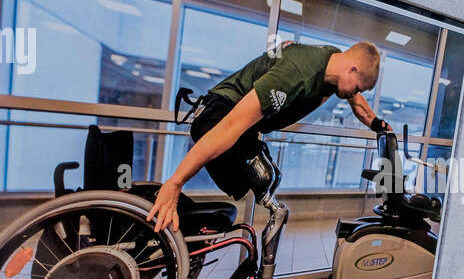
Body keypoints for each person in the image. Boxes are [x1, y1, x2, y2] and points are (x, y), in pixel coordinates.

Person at [146, 40, 390, 232]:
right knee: (260, 175)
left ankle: (188, 237)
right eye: (358, 86)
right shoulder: (296, 74)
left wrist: (378, 124)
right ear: (352, 69)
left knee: (268, 177)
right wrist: (176, 182)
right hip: (217, 116)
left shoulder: (335, 61)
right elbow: (229, 127)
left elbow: (358, 105)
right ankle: (173, 224)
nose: (355, 93)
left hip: (237, 122)